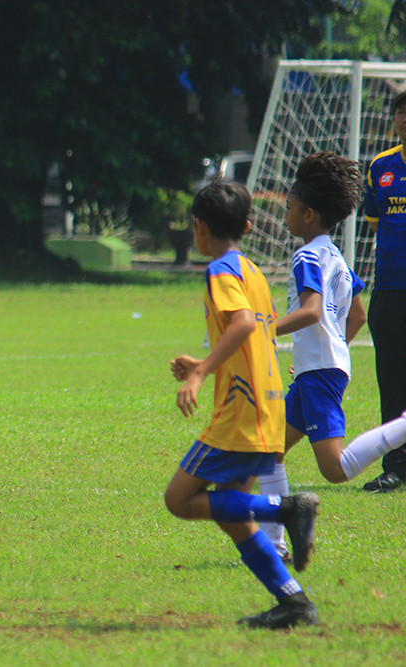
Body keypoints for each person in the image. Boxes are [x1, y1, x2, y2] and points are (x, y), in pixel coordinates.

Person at [164, 179, 320, 629]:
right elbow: (255, 334)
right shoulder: (251, 271)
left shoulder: (220, 271)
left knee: (179, 499)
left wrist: (200, 372)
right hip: (267, 406)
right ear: (248, 226)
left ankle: (286, 509)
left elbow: (244, 324)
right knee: (232, 513)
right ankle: (294, 602)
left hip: (240, 414)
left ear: (199, 228)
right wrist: (205, 362)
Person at [258, 152, 406, 557]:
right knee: (268, 451)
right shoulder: (335, 255)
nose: (285, 214)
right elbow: (356, 315)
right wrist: (322, 353)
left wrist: (263, 329)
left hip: (321, 370)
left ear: (308, 214)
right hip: (320, 368)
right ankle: (277, 545)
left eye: (289, 207)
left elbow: (310, 311)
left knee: (336, 469)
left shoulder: (306, 255)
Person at [361, 89, 406, 492]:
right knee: (392, 382)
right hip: (389, 290)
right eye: (400, 113)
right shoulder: (380, 166)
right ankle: (396, 467)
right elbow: (375, 222)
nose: (405, 119)